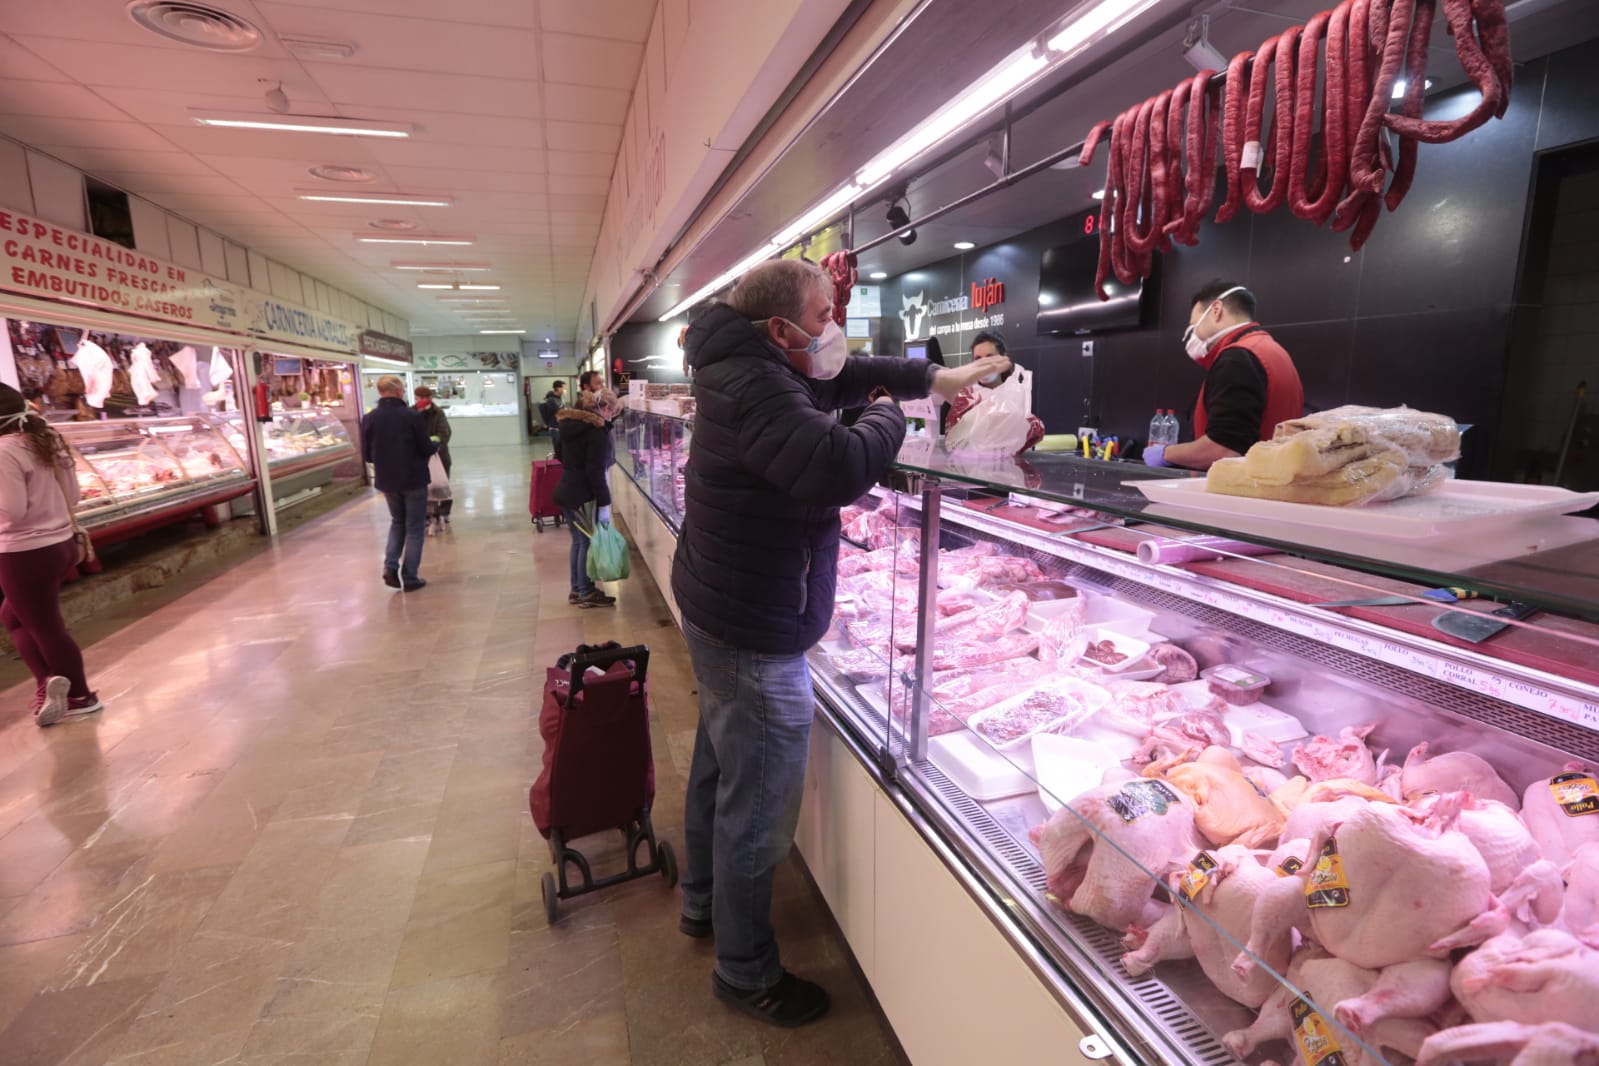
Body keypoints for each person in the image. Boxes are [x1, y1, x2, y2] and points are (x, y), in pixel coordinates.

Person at [671, 259, 1007, 1027]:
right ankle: (744, 970)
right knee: (756, 809)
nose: (836, 330)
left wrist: (935, 378)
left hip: (724, 601)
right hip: (754, 625)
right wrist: (890, 411)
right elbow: (835, 465)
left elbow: (841, 374)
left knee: (719, 766)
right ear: (783, 330)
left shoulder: (747, 362)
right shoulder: (756, 382)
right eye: (825, 316)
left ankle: (700, 904)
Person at [0, 385, 103, 726]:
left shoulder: (4, 451)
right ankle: (50, 681)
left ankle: (79, 695)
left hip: (24, 551)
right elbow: (72, 496)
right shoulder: (47, 440)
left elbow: (11, 511)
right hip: (60, 544)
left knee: (46, 627)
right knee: (15, 617)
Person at [1144, 280, 1304, 471]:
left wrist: (1166, 453)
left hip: (1242, 491)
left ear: (1216, 310)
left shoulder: (1237, 358)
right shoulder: (1272, 351)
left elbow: (1224, 449)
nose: (1194, 335)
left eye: (1194, 326)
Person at [360, 375, 435, 592]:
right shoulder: (411, 416)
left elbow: (367, 455)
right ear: (399, 390)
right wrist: (433, 447)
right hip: (413, 478)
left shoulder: (370, 418)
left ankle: (389, 566)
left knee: (397, 522)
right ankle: (410, 576)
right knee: (414, 527)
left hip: (388, 480)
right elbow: (425, 447)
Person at [551, 389, 622, 609]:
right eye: (614, 411)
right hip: (581, 494)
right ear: (606, 409)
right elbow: (595, 471)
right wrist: (604, 502)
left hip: (566, 489)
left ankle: (577, 588)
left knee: (578, 541)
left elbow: (559, 455)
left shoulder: (571, 424)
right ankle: (586, 592)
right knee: (586, 542)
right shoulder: (596, 432)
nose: (612, 416)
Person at [413, 386, 453, 528]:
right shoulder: (411, 413)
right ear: (416, 397)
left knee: (442, 485)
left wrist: (432, 443)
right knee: (424, 487)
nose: (424, 400)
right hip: (420, 458)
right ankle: (428, 514)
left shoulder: (438, 413)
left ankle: (443, 512)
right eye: (421, 397)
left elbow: (445, 433)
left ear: (431, 397)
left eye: (427, 397)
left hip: (439, 456)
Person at [539, 380, 566, 455]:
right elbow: (558, 412)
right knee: (558, 448)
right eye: (563, 388)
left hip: (560, 426)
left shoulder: (561, 399)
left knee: (561, 448)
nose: (565, 390)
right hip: (554, 427)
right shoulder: (550, 400)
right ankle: (556, 463)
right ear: (558, 388)